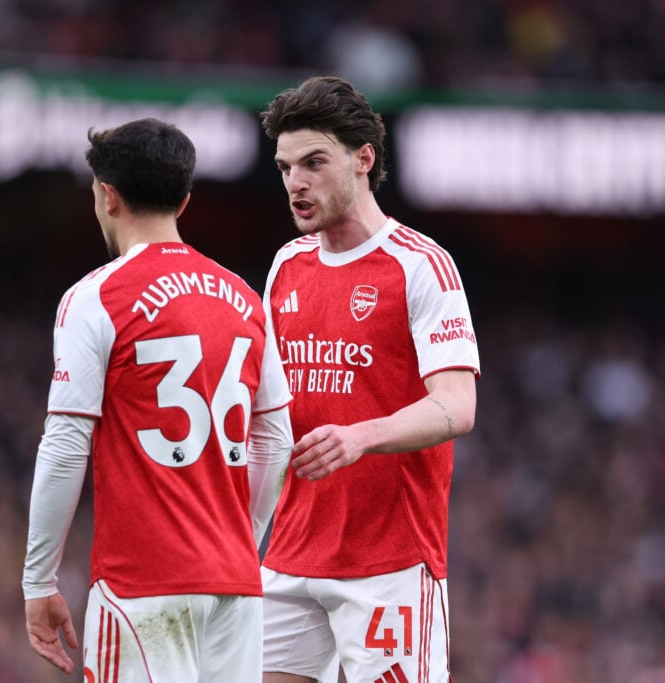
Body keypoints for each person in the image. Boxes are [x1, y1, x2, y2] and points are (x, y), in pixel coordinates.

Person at [21, 118, 293, 681]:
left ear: (107, 195)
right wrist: (241, 533)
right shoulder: (246, 300)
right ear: (185, 201)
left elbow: (67, 444)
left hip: (143, 586)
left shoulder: (94, 299)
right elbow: (276, 438)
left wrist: (38, 580)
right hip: (236, 588)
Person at [258, 76, 480, 683]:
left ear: (363, 159)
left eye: (313, 163)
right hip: (290, 553)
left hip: (389, 562)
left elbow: (457, 406)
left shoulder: (420, 265)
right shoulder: (287, 265)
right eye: (284, 167)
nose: (295, 183)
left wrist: (360, 437)